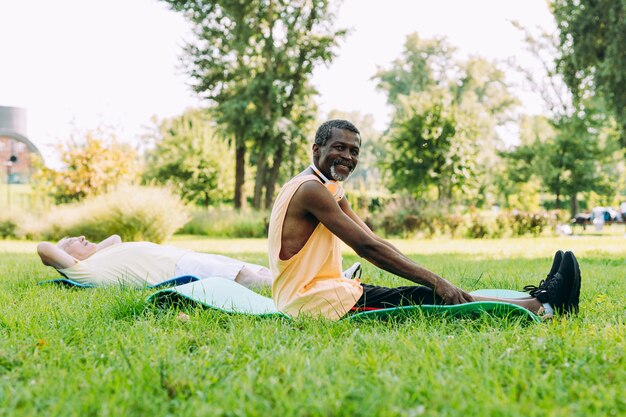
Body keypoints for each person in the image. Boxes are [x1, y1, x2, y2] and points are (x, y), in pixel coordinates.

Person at [268, 119, 581, 320]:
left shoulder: (327, 186)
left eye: (354, 151)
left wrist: (427, 274)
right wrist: (436, 280)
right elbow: (366, 248)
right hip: (311, 305)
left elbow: (374, 239)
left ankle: (536, 300)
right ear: (316, 149)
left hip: (325, 292)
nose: (348, 157)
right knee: (430, 299)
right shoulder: (311, 190)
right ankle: (546, 308)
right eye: (339, 147)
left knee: (427, 294)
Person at [37, 235, 273, 290]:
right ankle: (300, 293)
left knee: (257, 269)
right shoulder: (83, 270)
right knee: (248, 278)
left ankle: (303, 282)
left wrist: (91, 249)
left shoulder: (97, 256)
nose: (81, 237)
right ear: (68, 257)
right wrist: (68, 255)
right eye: (71, 241)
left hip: (185, 256)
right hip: (178, 268)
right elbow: (43, 248)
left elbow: (115, 238)